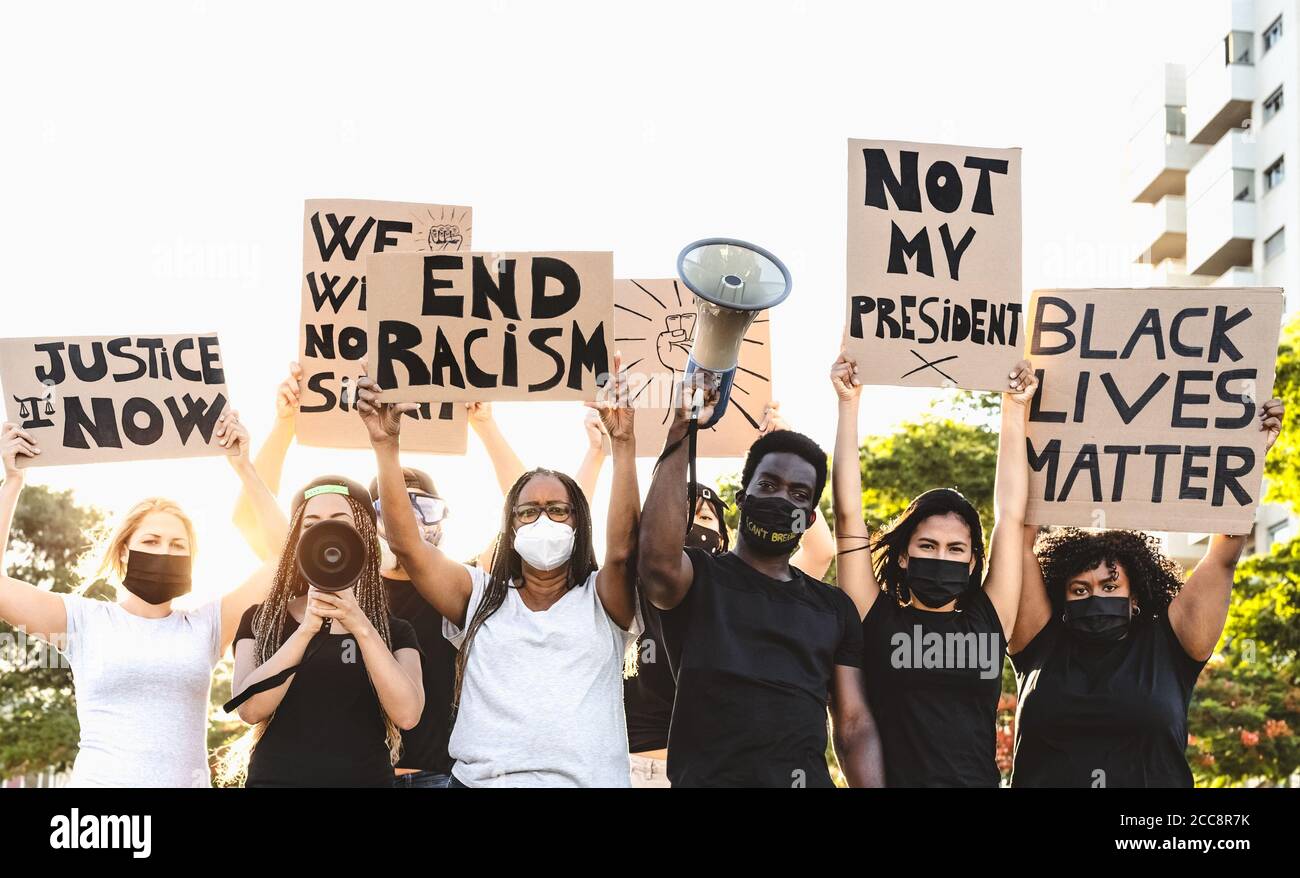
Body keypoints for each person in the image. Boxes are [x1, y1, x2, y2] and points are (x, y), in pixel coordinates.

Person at [230, 363, 533, 789]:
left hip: (427, 773)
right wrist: (282, 427)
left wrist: (485, 427)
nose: (406, 520)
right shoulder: (278, 605)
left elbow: (523, 518)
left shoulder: (449, 589)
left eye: (422, 508)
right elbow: (253, 517)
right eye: (393, 507)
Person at [355, 357, 642, 788]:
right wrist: (385, 445)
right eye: (527, 512)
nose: (543, 520)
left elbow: (622, 552)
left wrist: (623, 445)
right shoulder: (479, 595)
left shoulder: (603, 599)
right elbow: (408, 548)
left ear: (580, 523)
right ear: (509, 527)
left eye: (558, 510)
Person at [1007, 397, 1285, 788]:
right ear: (1061, 598)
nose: (1095, 596)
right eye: (1080, 589)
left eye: (1109, 585)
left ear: (1134, 596)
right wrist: (1023, 419)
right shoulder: (1039, 641)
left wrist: (1249, 454)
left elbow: (1225, 551)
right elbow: (1017, 538)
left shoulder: (1170, 645)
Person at [0, 411, 281, 787]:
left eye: (177, 545)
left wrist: (244, 467)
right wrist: (13, 481)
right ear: (123, 552)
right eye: (150, 541)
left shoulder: (207, 624)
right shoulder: (81, 621)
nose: (164, 551)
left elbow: (285, 557)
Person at [638, 374, 884, 787]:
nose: (782, 499)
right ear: (742, 498)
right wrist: (680, 430)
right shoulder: (699, 579)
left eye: (799, 494)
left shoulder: (834, 608)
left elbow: (854, 725)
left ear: (808, 520)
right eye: (768, 485)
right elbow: (656, 564)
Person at [831, 352, 1035, 787]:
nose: (942, 556)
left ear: (974, 560)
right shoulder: (876, 615)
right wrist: (848, 405)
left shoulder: (990, 616)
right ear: (903, 555)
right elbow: (849, 518)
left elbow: (1011, 516)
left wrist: (1014, 409)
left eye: (955, 548)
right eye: (927, 545)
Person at [616, 402, 835, 788]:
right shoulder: (639, 584)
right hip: (628, 765)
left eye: (702, 518)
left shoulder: (756, 590)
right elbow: (638, 547)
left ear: (723, 532)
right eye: (680, 515)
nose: (689, 525)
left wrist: (780, 451)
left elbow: (820, 552)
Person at [225, 475, 425, 788]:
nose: (325, 532)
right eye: (311, 523)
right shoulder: (261, 620)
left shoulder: (395, 630)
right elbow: (249, 709)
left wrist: (358, 623)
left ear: (365, 536)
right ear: (296, 540)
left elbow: (408, 714)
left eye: (339, 521)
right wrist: (307, 629)